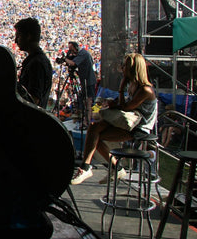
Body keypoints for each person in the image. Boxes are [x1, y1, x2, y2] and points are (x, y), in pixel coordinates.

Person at [71, 53, 158, 185]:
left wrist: (121, 88)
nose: (122, 68)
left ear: (133, 68)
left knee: (95, 134)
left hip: (137, 127)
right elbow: (123, 105)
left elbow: (126, 107)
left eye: (125, 66)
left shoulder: (146, 90)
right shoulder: (133, 85)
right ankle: (93, 167)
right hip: (126, 122)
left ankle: (103, 168)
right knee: (94, 130)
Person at [14, 17, 53, 109]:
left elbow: (33, 100)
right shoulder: (37, 60)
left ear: (28, 36)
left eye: (18, 36)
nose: (16, 41)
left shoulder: (37, 64)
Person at [65, 41, 97, 126]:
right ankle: (84, 119)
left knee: (88, 101)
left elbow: (73, 63)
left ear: (76, 47)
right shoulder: (81, 53)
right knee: (84, 101)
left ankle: (87, 122)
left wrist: (65, 59)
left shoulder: (83, 53)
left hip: (88, 81)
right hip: (84, 81)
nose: (71, 51)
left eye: (71, 49)